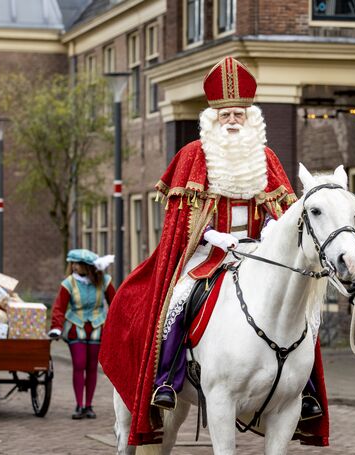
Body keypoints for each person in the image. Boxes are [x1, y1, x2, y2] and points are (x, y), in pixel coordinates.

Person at [100, 56, 329, 447]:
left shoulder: (266, 158)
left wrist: (272, 227)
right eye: (226, 114)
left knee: (297, 310)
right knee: (177, 300)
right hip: (206, 255)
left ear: (251, 115)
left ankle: (302, 388)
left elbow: (284, 213)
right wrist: (213, 236)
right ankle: (166, 380)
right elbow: (182, 217)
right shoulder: (194, 156)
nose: (233, 120)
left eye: (240, 112)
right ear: (213, 117)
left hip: (259, 255)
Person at [49, 249, 115, 420]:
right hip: (75, 328)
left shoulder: (104, 282)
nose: (74, 267)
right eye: (73, 263)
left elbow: (115, 304)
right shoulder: (68, 283)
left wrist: (118, 326)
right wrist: (56, 326)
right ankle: (79, 404)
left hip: (97, 328)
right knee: (79, 365)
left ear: (87, 266)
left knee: (92, 367)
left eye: (77, 264)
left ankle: (89, 405)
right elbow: (59, 307)